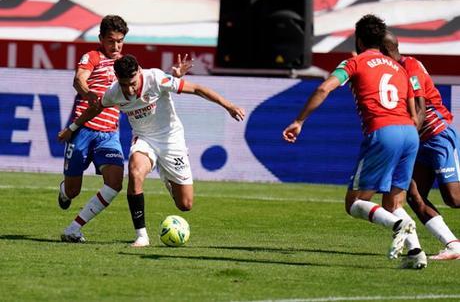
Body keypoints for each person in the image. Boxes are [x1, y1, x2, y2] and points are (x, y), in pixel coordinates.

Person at [282, 14, 427, 269]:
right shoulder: (399, 68)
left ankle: (397, 225)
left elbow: (324, 88)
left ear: (358, 39)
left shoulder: (354, 62)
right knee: (393, 202)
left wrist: (299, 120)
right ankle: (415, 253)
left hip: (385, 131)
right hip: (410, 134)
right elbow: (415, 114)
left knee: (354, 203)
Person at [59, 54, 245, 247]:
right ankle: (141, 236)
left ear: (139, 71)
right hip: (144, 140)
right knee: (134, 171)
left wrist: (229, 106)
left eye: (132, 83)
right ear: (117, 79)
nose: (129, 89)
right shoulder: (114, 92)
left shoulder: (156, 78)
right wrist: (71, 128)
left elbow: (197, 89)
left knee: (185, 204)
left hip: (172, 141)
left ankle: (167, 176)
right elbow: (95, 109)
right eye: (123, 84)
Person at [58, 15, 192, 243]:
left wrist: (174, 77)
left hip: (109, 134)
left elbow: (148, 83)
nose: (116, 46)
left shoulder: (127, 65)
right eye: (111, 41)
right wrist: (89, 94)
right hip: (83, 131)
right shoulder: (92, 57)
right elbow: (78, 80)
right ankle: (64, 190)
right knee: (72, 192)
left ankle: (75, 228)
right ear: (101, 39)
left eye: (120, 41)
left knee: (115, 183)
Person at [381, 31, 460, 260]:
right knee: (414, 196)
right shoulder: (391, 71)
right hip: (420, 140)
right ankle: (453, 245)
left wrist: (404, 144)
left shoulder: (410, 66)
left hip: (436, 136)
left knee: (454, 199)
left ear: (386, 52)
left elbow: (421, 111)